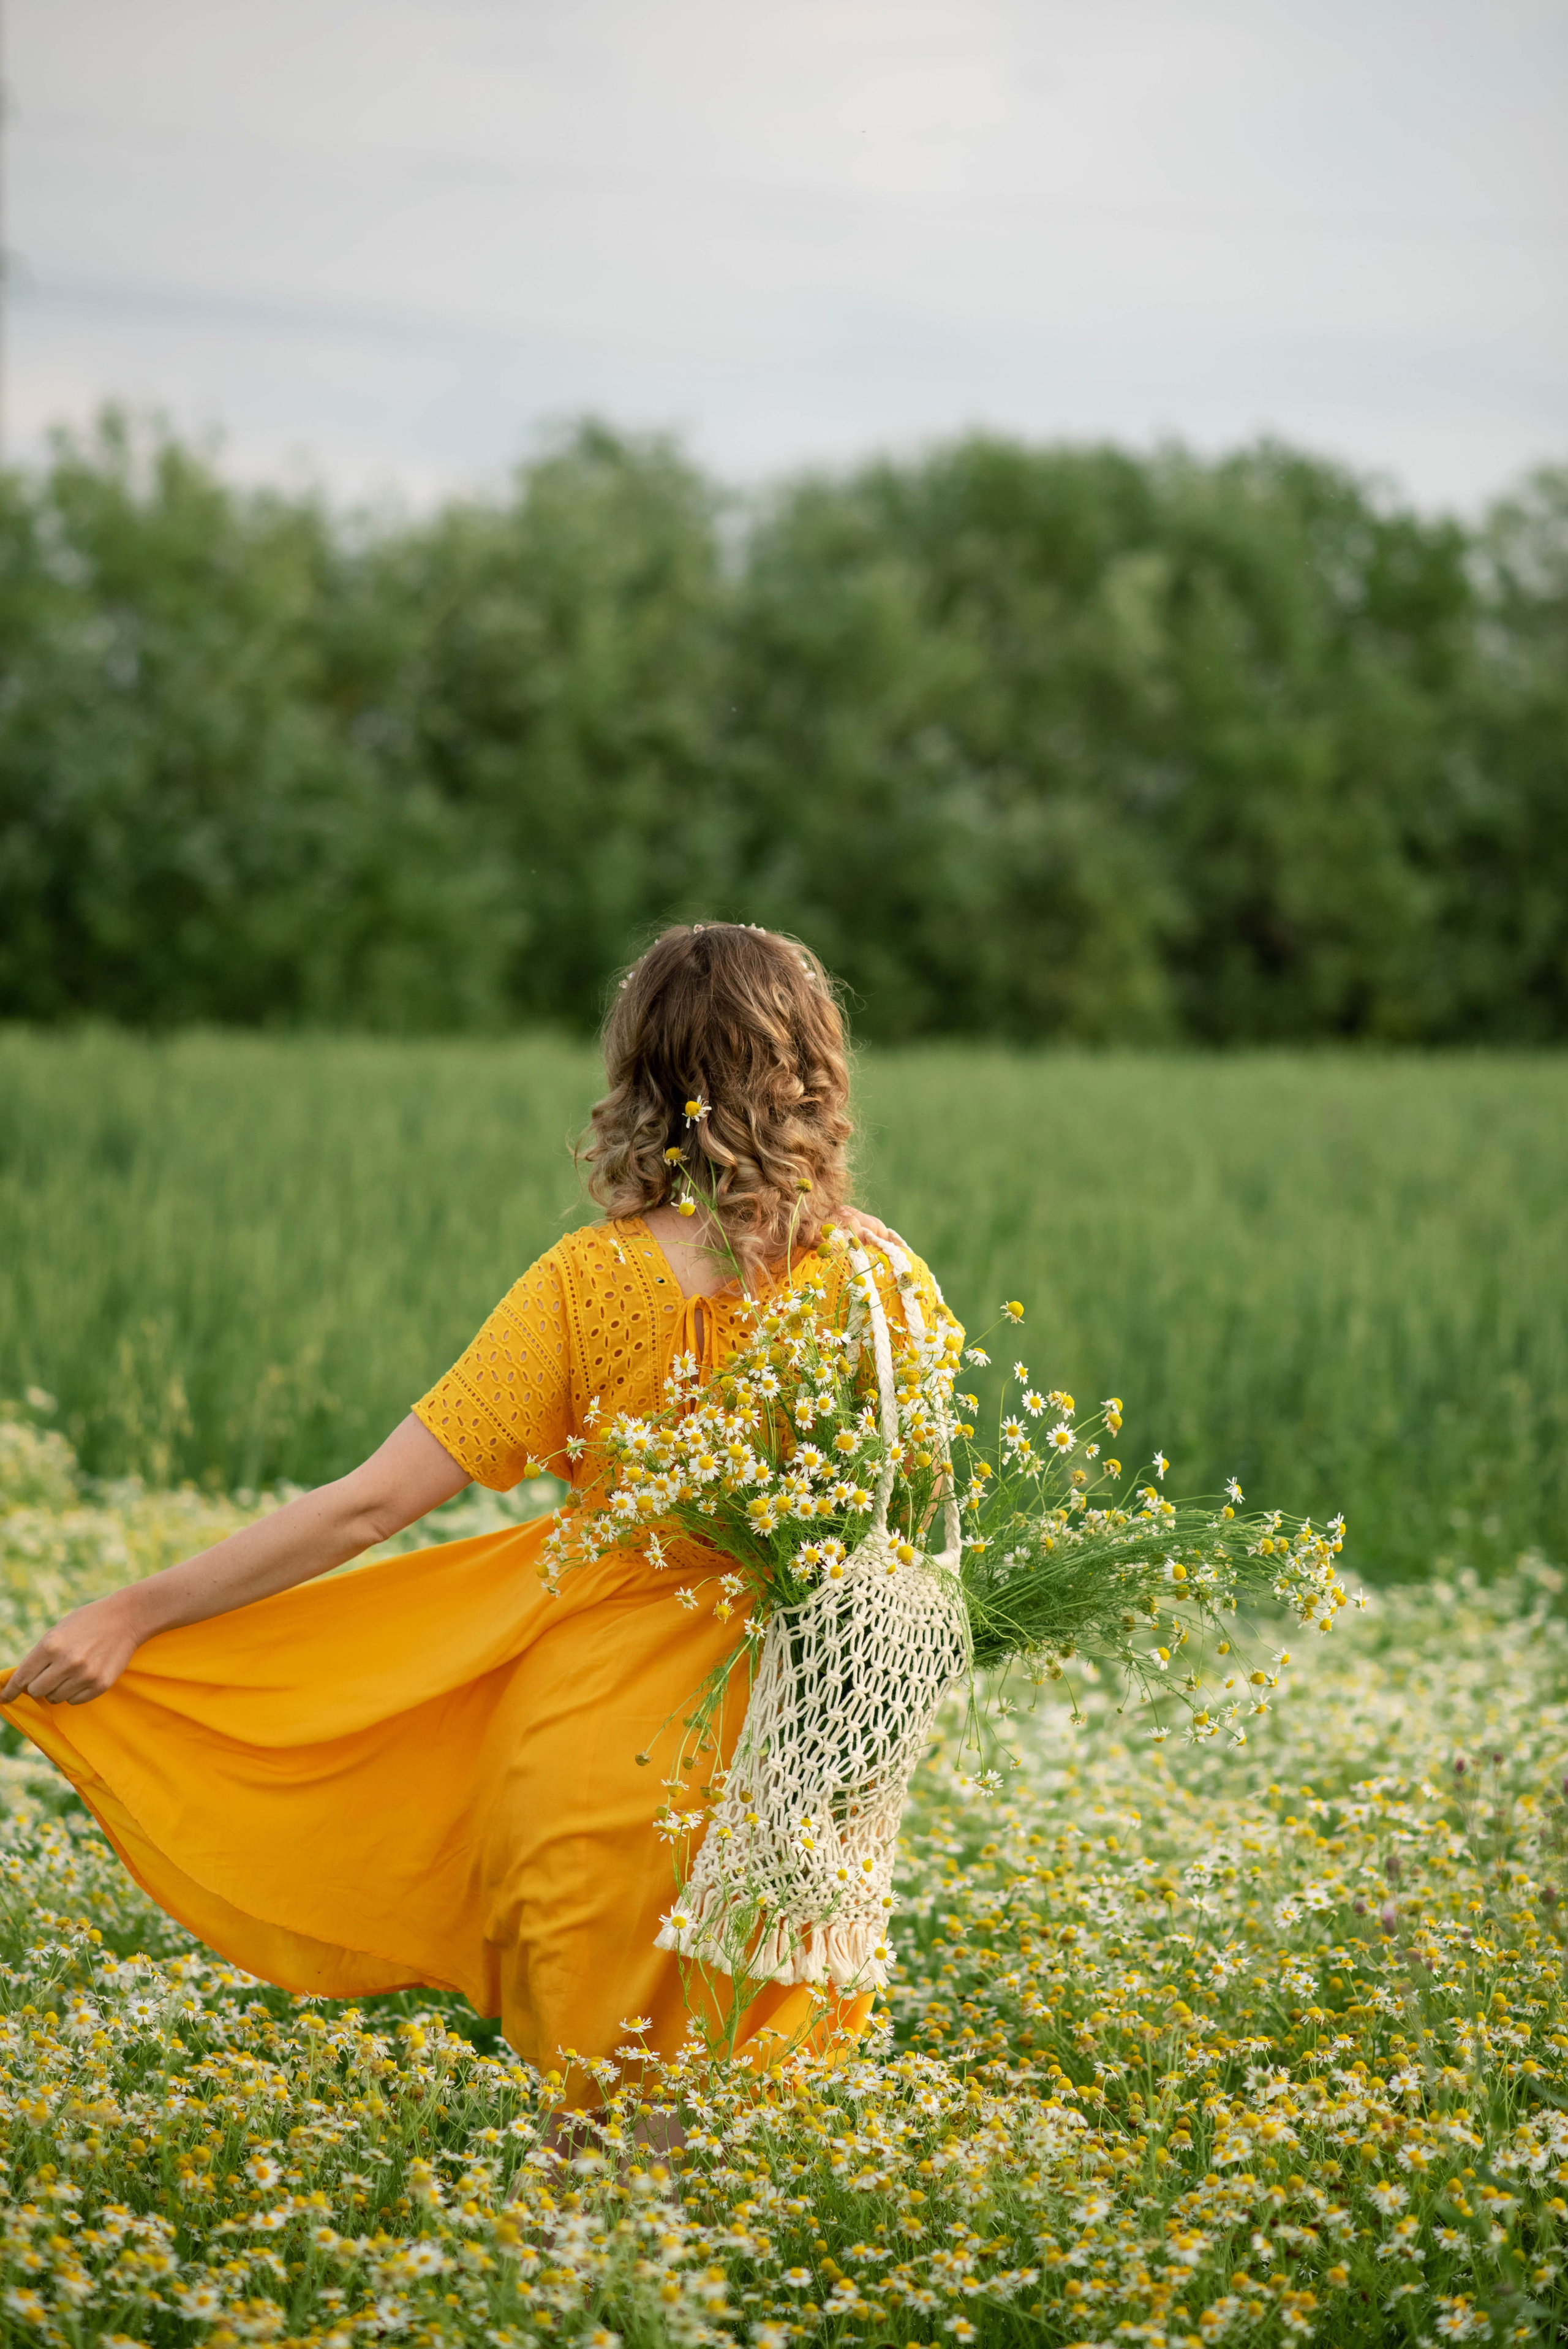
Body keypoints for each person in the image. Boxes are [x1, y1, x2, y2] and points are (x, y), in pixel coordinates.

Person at [0, 925, 946, 2112]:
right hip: (803, 1759)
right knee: (737, 2152)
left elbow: (370, 1505)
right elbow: (910, 1544)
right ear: (813, 1069)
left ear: (639, 1076)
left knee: (588, 2140)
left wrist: (134, 1613)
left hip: (592, 1749)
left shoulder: (585, 1283)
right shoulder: (880, 1283)